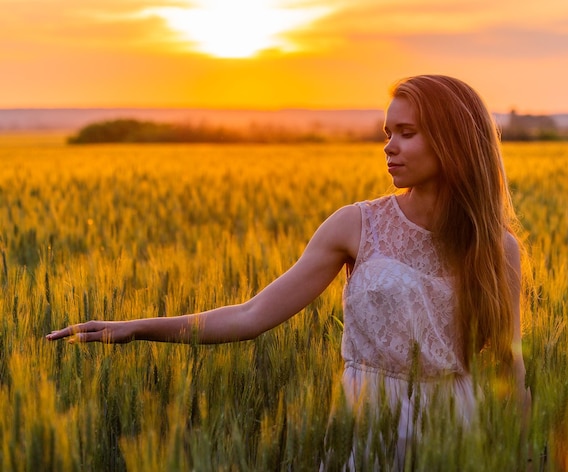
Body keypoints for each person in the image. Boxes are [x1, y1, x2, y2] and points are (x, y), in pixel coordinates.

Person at [47, 74, 531, 467]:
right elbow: (252, 315)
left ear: (452, 139)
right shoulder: (357, 225)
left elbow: (510, 367)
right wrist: (138, 328)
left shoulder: (497, 248)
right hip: (367, 424)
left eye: (407, 133)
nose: (389, 147)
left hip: (454, 430)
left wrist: (523, 454)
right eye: (388, 134)